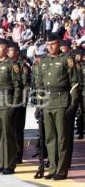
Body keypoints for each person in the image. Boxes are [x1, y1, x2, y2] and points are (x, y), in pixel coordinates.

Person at [37, 33, 79, 180]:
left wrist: (73, 103)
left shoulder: (67, 60)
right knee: (50, 138)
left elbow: (74, 83)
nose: (50, 47)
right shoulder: (43, 61)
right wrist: (39, 104)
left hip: (62, 101)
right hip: (48, 102)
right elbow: (40, 84)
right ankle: (53, 168)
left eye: (53, 44)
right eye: (48, 45)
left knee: (62, 138)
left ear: (58, 44)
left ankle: (61, 170)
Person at [0, 38, 22, 175]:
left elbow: (17, 87)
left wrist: (14, 104)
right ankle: (1, 163)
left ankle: (10, 164)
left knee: (8, 135)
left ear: (6, 50)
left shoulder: (12, 65)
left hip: (6, 103)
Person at [7, 41, 31, 164]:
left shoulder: (23, 66)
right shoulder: (5, 64)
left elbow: (26, 86)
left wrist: (23, 102)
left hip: (18, 102)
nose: (8, 52)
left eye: (10, 50)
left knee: (17, 130)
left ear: (17, 52)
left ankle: (18, 154)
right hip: (6, 102)